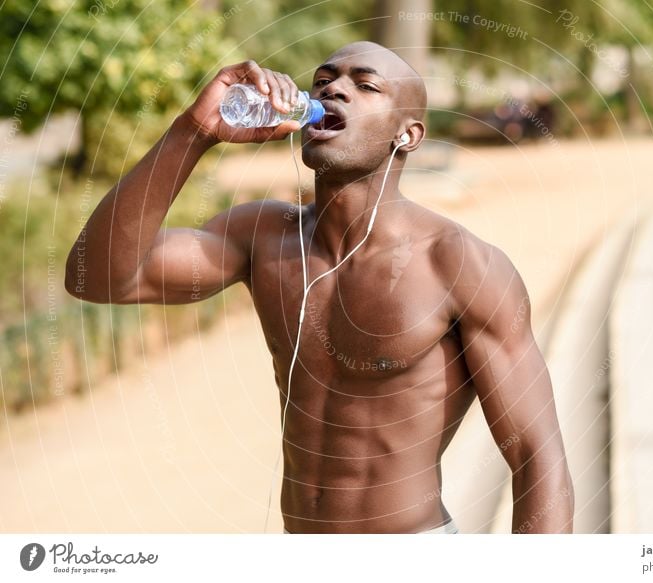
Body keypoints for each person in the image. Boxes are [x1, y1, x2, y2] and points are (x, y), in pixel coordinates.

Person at [64, 41, 574, 534]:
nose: (335, 90)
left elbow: (537, 458)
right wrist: (193, 131)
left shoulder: (458, 265)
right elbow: (97, 276)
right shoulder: (262, 238)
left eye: (366, 85)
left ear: (409, 134)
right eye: (323, 81)